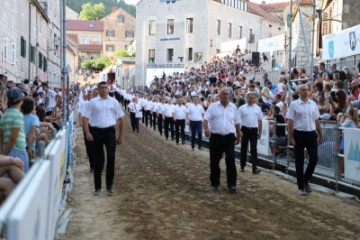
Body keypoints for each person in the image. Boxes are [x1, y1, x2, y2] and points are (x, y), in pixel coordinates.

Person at [83, 82, 125, 196]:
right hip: (96, 132)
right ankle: (97, 187)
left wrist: (121, 136)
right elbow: (85, 118)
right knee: (98, 160)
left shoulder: (114, 102)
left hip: (110, 132)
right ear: (98, 89)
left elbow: (121, 119)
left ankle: (109, 185)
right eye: (101, 88)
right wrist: (87, 132)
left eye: (106, 87)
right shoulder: (92, 102)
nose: (104, 89)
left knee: (111, 157)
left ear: (108, 89)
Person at [286, 84, 323, 196]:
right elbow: (290, 121)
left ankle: (306, 179)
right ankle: (301, 187)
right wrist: (291, 136)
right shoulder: (294, 104)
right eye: (303, 90)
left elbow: (316, 120)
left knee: (314, 159)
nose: (306, 91)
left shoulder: (313, 104)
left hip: (311, 134)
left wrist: (320, 134)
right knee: (299, 161)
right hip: (299, 134)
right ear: (299, 92)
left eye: (307, 89)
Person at [204, 87, 241, 193]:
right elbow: (206, 119)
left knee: (231, 161)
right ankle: (215, 184)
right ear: (219, 95)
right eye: (223, 94)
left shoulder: (233, 107)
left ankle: (232, 185)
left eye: (227, 94)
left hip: (229, 137)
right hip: (216, 137)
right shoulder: (213, 107)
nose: (226, 96)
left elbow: (237, 122)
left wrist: (238, 134)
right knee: (214, 161)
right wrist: (206, 129)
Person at [0, 87, 29, 173]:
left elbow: (1, 135)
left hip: (6, 148)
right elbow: (13, 137)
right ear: (21, 100)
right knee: (22, 178)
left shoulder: (4, 115)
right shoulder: (18, 115)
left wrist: (2, 151)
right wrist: (5, 153)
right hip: (18, 150)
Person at [238, 92, 263, 174]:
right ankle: (242, 166)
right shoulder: (242, 108)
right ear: (247, 98)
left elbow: (260, 120)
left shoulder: (258, 108)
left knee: (254, 149)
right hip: (244, 129)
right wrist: (239, 131)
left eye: (253, 98)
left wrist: (260, 131)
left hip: (253, 130)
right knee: (244, 148)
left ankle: (254, 168)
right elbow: (238, 120)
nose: (252, 100)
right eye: (250, 98)